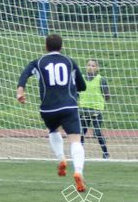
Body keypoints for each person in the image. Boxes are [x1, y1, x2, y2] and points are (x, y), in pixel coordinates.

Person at [16, 33, 88, 192]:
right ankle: (78, 172)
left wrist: (20, 91)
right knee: (75, 140)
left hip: (48, 108)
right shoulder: (69, 62)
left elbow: (25, 74)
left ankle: (61, 159)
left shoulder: (39, 61)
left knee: (52, 130)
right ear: (61, 47)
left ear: (45, 47)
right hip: (68, 107)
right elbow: (83, 86)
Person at [79, 59, 110, 159]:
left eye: (93, 66)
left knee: (97, 132)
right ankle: (79, 154)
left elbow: (107, 94)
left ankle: (105, 152)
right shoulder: (81, 78)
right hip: (84, 110)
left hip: (96, 110)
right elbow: (76, 92)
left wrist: (106, 96)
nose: (90, 67)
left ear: (97, 68)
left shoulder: (101, 79)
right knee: (81, 133)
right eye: (88, 65)